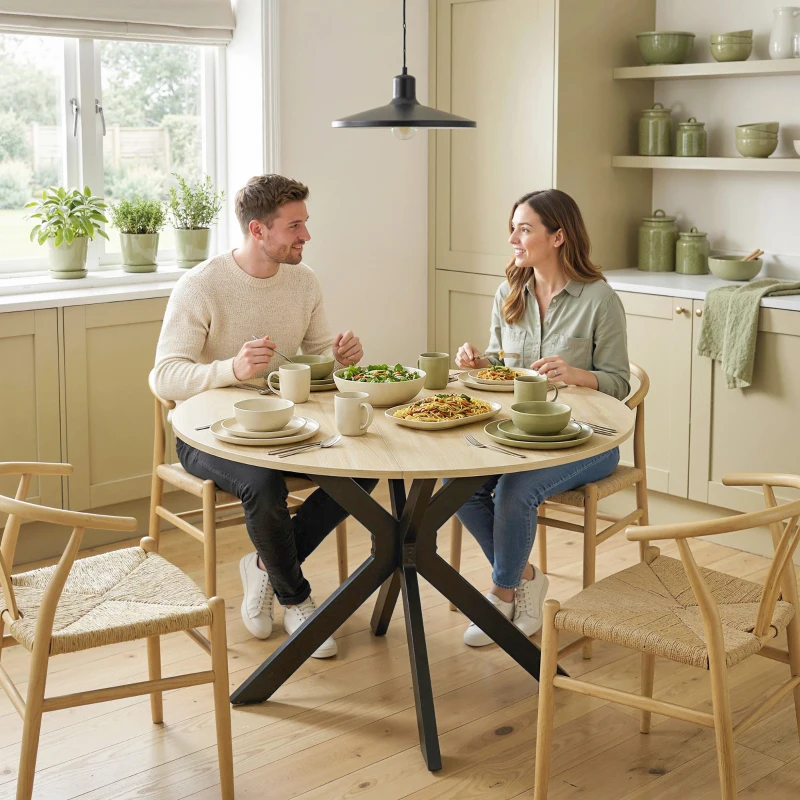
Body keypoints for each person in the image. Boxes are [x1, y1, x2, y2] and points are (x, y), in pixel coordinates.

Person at [154, 174, 376, 658]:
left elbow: (316, 357)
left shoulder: (303, 280)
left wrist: (341, 356)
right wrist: (229, 369)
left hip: (286, 427)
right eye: (295, 226)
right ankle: (297, 599)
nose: (306, 236)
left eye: (305, 224)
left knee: (365, 470)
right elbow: (164, 377)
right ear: (258, 230)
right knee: (263, 482)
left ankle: (264, 566)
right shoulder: (201, 285)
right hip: (209, 437)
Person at [453, 188, 629, 647]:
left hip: (591, 441)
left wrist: (578, 375)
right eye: (512, 227)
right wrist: (479, 363)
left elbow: (620, 383)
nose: (513, 237)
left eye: (524, 228)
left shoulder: (599, 299)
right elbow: (501, 365)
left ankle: (501, 593)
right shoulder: (509, 291)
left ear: (558, 236)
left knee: (516, 488)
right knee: (457, 483)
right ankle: (527, 577)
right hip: (520, 434)